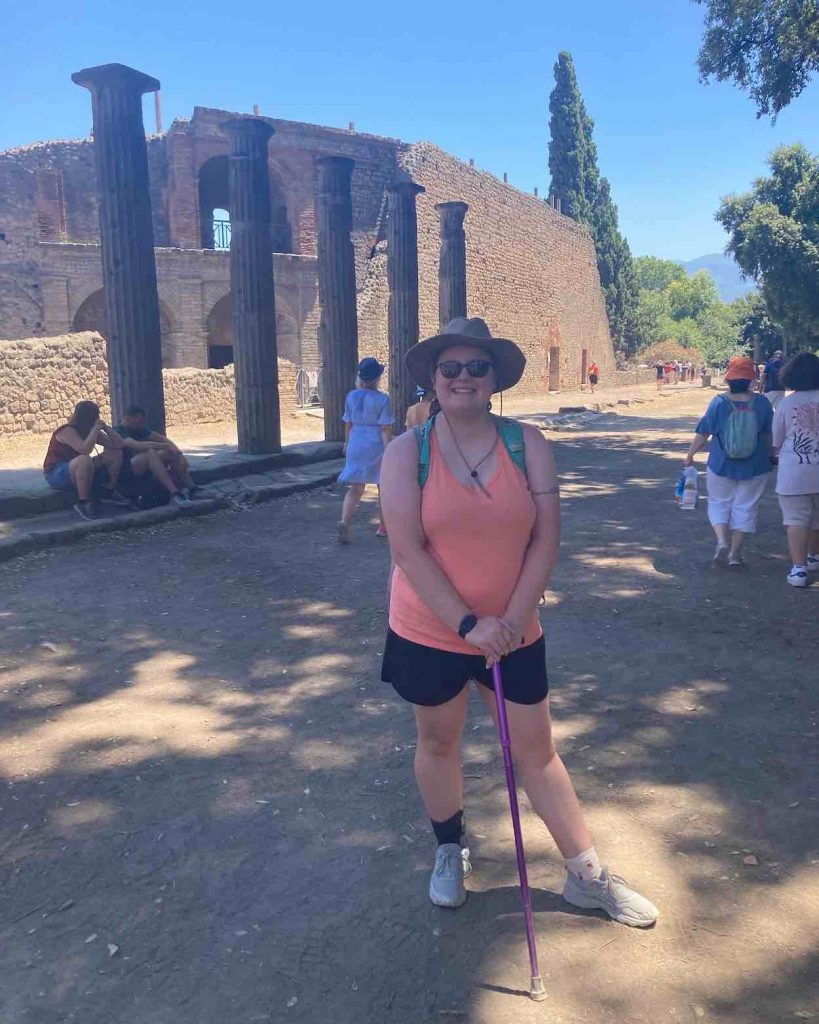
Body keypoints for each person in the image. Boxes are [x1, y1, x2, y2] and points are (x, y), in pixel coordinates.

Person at [379, 315, 659, 926]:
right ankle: (449, 850)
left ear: (494, 377)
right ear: (432, 378)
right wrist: (467, 625)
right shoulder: (407, 452)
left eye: (476, 368)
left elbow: (545, 539)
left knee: (536, 750)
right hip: (431, 630)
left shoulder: (526, 442)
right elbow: (407, 550)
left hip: (512, 630)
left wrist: (511, 618)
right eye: (450, 368)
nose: (463, 378)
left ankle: (588, 875)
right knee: (438, 741)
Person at [684, 355, 773, 567]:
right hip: (755, 464)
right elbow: (770, 435)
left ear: (729, 379)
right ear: (752, 379)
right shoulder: (762, 403)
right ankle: (734, 553)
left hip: (721, 463)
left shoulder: (719, 403)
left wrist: (690, 454)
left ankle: (722, 540)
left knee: (718, 502)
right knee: (746, 506)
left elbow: (704, 432)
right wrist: (771, 454)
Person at [771, 352, 819, 587]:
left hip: (795, 473)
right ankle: (814, 557)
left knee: (796, 520)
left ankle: (799, 570)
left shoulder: (787, 403)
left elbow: (776, 440)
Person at [337, 357, 394, 543]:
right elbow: (385, 428)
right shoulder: (382, 399)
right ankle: (384, 528)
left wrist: (346, 443)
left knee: (355, 488)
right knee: (382, 487)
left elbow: (348, 423)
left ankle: (345, 521)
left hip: (355, 442)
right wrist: (389, 450)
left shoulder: (351, 396)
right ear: (377, 377)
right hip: (374, 443)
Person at [43, 401, 129, 521]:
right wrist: (94, 431)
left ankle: (109, 490)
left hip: (80, 467)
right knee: (84, 459)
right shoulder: (67, 430)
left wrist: (106, 428)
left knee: (115, 454)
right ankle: (84, 501)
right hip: (57, 472)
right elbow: (84, 449)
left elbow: (119, 444)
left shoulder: (90, 431)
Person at [115, 406, 195, 505]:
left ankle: (192, 488)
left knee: (170, 453)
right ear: (128, 418)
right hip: (125, 468)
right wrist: (164, 446)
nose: (141, 424)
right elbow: (137, 445)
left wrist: (179, 454)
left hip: (139, 464)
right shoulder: (118, 431)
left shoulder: (139, 429)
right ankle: (174, 493)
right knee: (151, 453)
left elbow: (165, 440)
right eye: (138, 421)